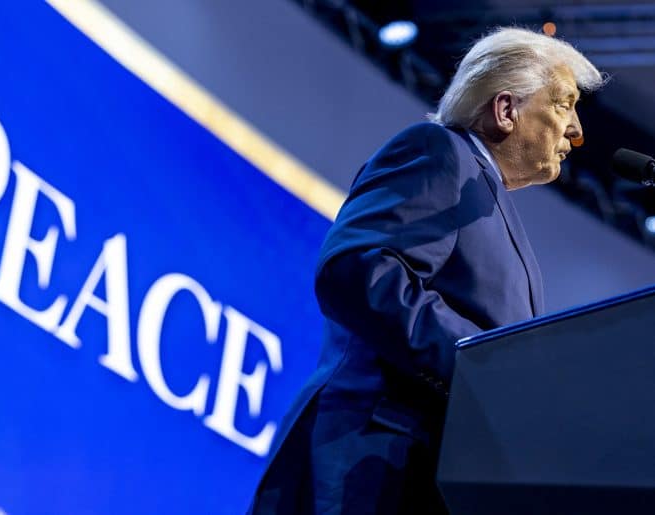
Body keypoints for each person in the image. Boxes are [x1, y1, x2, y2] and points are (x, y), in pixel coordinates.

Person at [250, 27, 605, 514]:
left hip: (429, 479)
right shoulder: (439, 151)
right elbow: (359, 270)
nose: (576, 130)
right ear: (506, 110)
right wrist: (485, 368)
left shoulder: (492, 204)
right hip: (370, 458)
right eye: (564, 104)